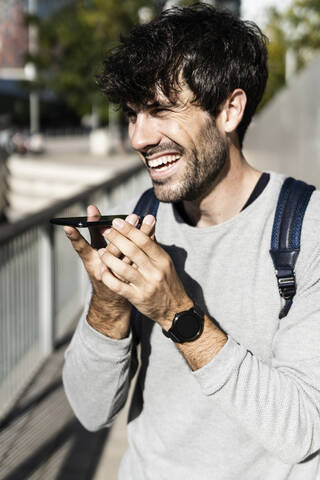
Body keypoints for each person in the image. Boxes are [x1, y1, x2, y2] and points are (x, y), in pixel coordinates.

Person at [62, 4, 320, 479]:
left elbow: (302, 429)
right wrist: (107, 302)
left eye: (160, 109)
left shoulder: (306, 228)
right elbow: (91, 410)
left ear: (229, 110)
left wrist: (177, 314)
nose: (138, 137)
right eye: (133, 114)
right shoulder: (142, 219)